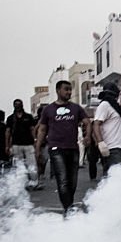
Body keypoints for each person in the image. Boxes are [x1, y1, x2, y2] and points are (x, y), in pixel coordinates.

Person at [35, 80, 90, 214]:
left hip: (73, 149)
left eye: (70, 89)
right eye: (66, 89)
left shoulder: (76, 108)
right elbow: (42, 129)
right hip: (56, 149)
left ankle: (69, 205)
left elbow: (87, 122)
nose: (69, 92)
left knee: (72, 182)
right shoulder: (48, 109)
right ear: (58, 90)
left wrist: (87, 136)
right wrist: (37, 148)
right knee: (63, 180)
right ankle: (68, 209)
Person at [92, 82, 121, 174]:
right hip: (113, 148)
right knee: (114, 178)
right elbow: (96, 124)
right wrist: (100, 143)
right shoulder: (105, 105)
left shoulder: (117, 106)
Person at [5, 98, 39, 189]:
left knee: (32, 164)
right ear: (14, 106)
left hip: (28, 144)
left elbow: (32, 129)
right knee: (19, 165)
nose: (17, 106)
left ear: (22, 105)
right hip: (16, 145)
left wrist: (35, 140)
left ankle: (34, 182)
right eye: (16, 104)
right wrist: (7, 145)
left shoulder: (28, 117)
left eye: (19, 104)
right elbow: (8, 132)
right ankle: (22, 183)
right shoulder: (10, 118)